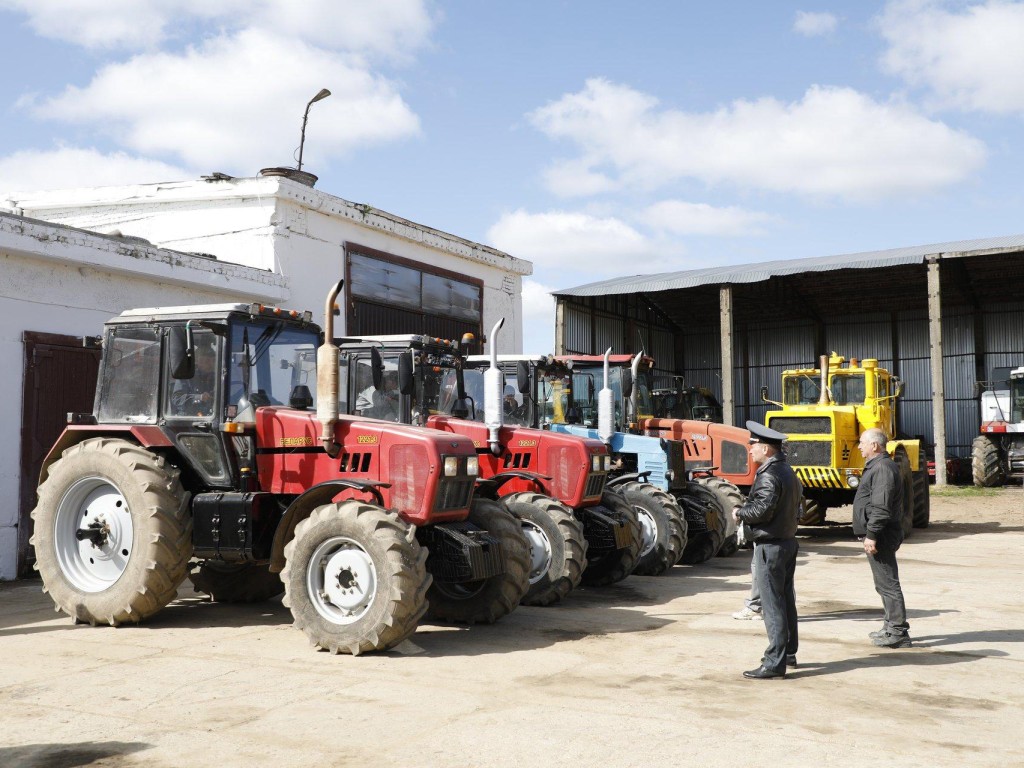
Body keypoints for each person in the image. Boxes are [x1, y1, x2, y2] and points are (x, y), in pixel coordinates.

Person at [732, 420, 802, 680]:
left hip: (771, 546)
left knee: (772, 605)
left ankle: (774, 662)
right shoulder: (786, 471)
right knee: (786, 601)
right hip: (786, 542)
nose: (750, 451)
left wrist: (740, 512)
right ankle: (789, 652)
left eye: (754, 446)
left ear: (767, 449)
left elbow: (762, 510)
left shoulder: (770, 474)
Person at [853, 428, 912, 648]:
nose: (859, 447)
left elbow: (881, 507)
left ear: (874, 446)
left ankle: (898, 632)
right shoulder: (877, 467)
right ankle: (890, 627)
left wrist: (872, 535)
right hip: (880, 534)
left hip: (882, 535)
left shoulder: (883, 469)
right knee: (883, 583)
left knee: (888, 583)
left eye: (862, 443)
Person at [171, 341, 217, 417]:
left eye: (214, 361)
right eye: (207, 361)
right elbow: (176, 399)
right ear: (199, 361)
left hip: (212, 418)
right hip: (188, 420)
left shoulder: (218, 379)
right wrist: (199, 397)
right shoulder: (186, 376)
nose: (211, 364)